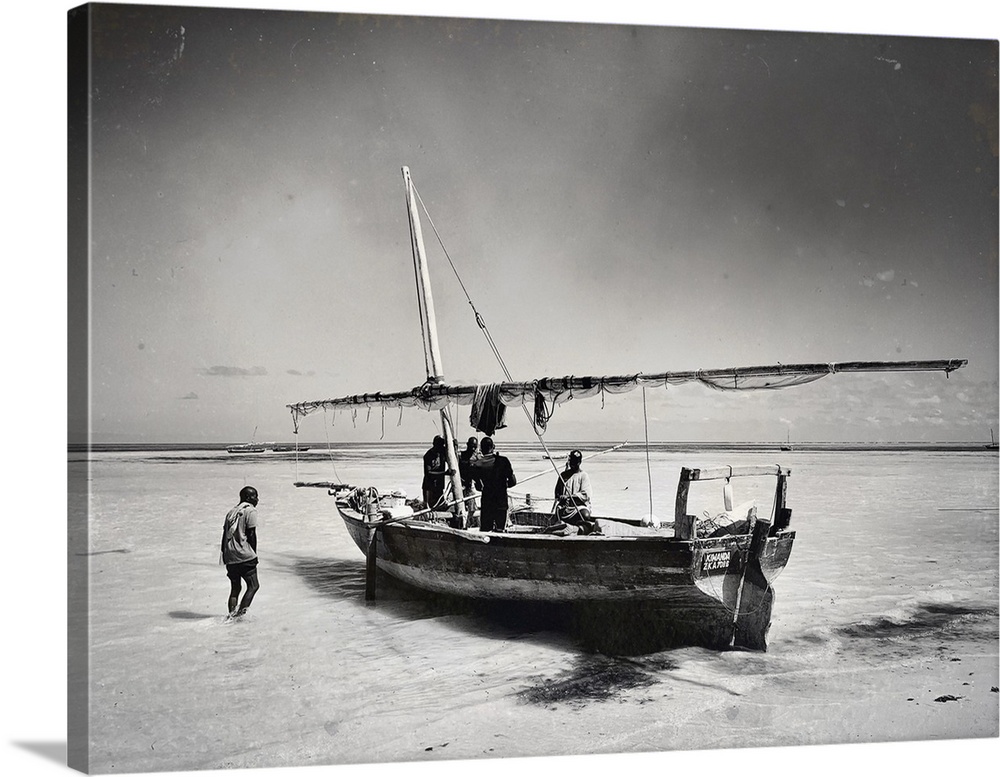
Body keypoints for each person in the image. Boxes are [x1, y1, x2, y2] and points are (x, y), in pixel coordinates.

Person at [221, 485, 261, 618]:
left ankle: (231, 616)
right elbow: (251, 534)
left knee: (235, 588)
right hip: (244, 555)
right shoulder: (250, 511)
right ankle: (240, 616)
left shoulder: (231, 512)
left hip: (230, 556)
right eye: (255, 496)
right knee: (253, 586)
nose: (257, 499)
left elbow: (224, 535)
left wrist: (225, 555)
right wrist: (254, 553)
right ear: (248, 497)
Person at [470, 437, 516, 532]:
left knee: (486, 531)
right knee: (500, 530)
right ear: (493, 447)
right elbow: (513, 482)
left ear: (481, 449)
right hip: (501, 501)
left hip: (487, 502)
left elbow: (479, 487)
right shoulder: (503, 461)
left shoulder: (478, 464)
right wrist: (502, 485)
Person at [554, 450, 599, 534]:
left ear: (579, 462)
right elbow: (557, 493)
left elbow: (586, 495)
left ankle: (576, 527)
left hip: (578, 507)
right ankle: (567, 525)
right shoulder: (563, 475)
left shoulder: (583, 475)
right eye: (571, 462)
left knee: (585, 515)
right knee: (558, 513)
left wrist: (570, 497)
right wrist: (561, 497)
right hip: (565, 507)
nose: (573, 464)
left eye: (575, 462)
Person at [422, 435, 454, 511]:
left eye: (441, 445)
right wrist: (445, 473)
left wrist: (454, 446)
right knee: (429, 509)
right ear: (434, 444)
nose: (440, 447)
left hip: (439, 486)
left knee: (441, 506)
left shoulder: (442, 452)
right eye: (438, 445)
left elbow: (453, 457)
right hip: (429, 487)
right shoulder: (428, 455)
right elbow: (428, 473)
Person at [458, 436, 480, 512]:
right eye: (471, 446)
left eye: (475, 447)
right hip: (460, 485)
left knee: (471, 506)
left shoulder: (477, 457)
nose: (473, 449)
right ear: (467, 444)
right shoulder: (461, 456)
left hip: (471, 485)